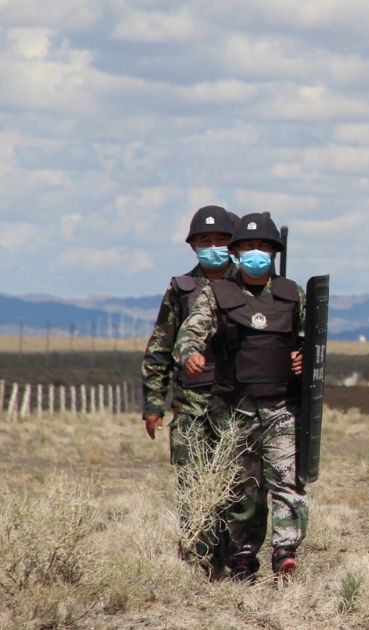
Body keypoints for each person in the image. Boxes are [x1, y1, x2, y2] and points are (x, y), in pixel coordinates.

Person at [174, 212, 308, 582]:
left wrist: (303, 357)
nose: (256, 253)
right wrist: (191, 353)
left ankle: (285, 552)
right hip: (234, 409)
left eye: (263, 246)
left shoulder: (292, 293)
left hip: (282, 407)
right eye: (248, 246)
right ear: (235, 252)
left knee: (287, 482)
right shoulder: (216, 294)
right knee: (242, 488)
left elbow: (312, 342)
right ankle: (243, 556)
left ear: (274, 252)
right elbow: (191, 331)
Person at [141, 205, 237, 576]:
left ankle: (236, 558)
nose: (213, 246)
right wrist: (153, 404)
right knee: (192, 482)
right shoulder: (181, 289)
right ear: (192, 245)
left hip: (239, 403)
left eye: (221, 240)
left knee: (239, 483)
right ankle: (198, 559)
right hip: (192, 404)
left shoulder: (250, 285)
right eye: (204, 240)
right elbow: (159, 350)